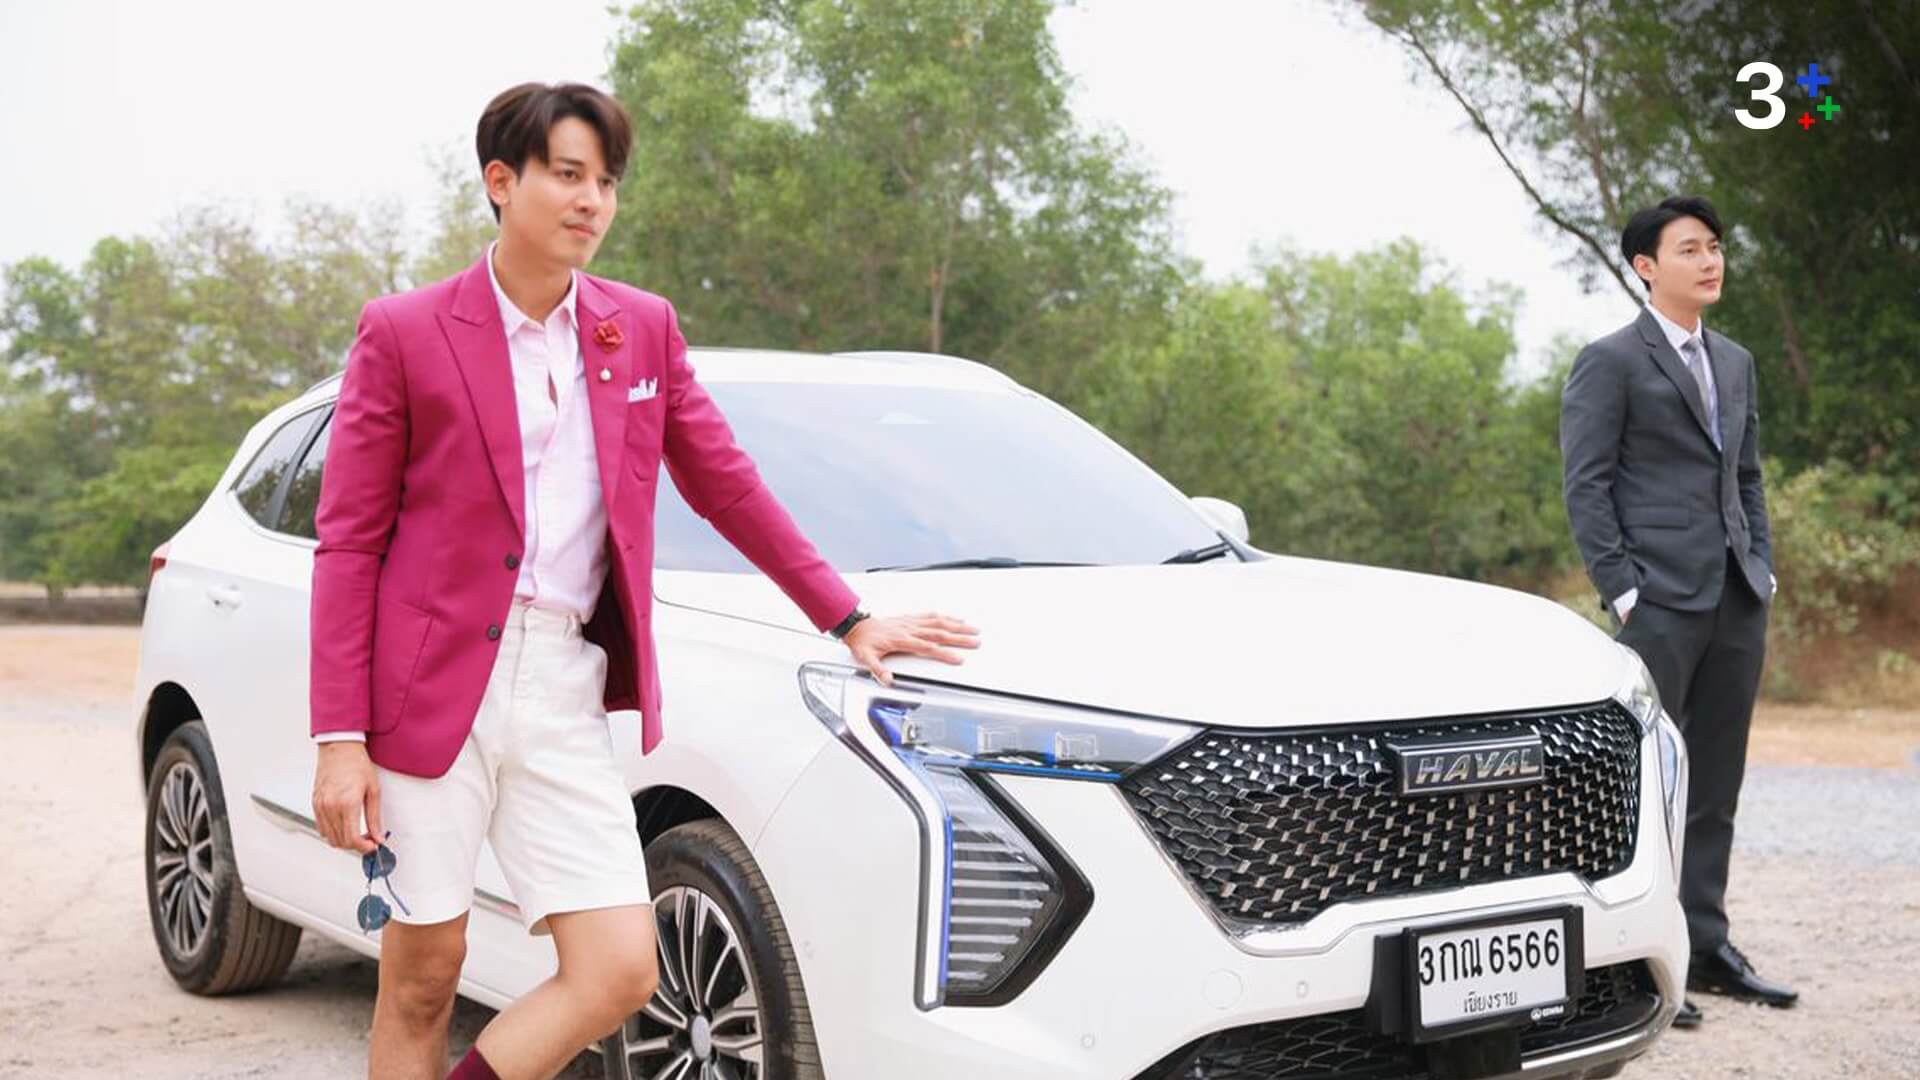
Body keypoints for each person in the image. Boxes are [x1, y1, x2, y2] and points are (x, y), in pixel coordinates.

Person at [307, 81, 980, 1080]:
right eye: (568, 175)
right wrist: (339, 739)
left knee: (620, 968)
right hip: (426, 686)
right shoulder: (405, 331)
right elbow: (349, 542)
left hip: (563, 682)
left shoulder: (641, 329)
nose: (593, 201)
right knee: (423, 976)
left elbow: (727, 486)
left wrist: (846, 617)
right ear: (503, 181)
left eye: (608, 182)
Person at [1560, 194, 1797, 1029]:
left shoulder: (1735, 361)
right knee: (1648, 780)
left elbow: (1747, 476)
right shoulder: (1611, 361)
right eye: (1690, 248)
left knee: (1717, 781)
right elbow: (1586, 484)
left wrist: (1760, 568)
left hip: (1735, 595)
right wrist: (1625, 590)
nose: (1710, 260)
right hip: (1657, 601)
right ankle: (1639, 959)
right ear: (1646, 266)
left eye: (1716, 247)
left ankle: (1707, 942)